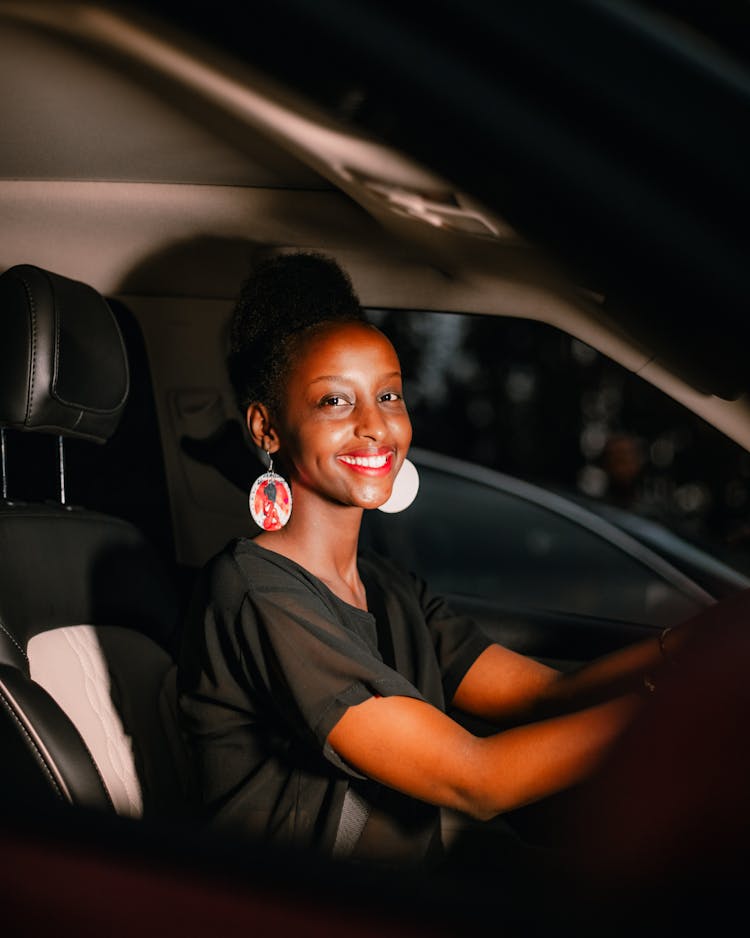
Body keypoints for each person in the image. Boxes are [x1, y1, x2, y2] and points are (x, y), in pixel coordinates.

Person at [176, 251, 692, 872]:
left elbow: (547, 695)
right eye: (335, 403)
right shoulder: (255, 593)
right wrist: (687, 708)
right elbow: (477, 779)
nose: (374, 426)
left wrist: (684, 648)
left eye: (388, 395)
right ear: (267, 428)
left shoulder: (391, 589)